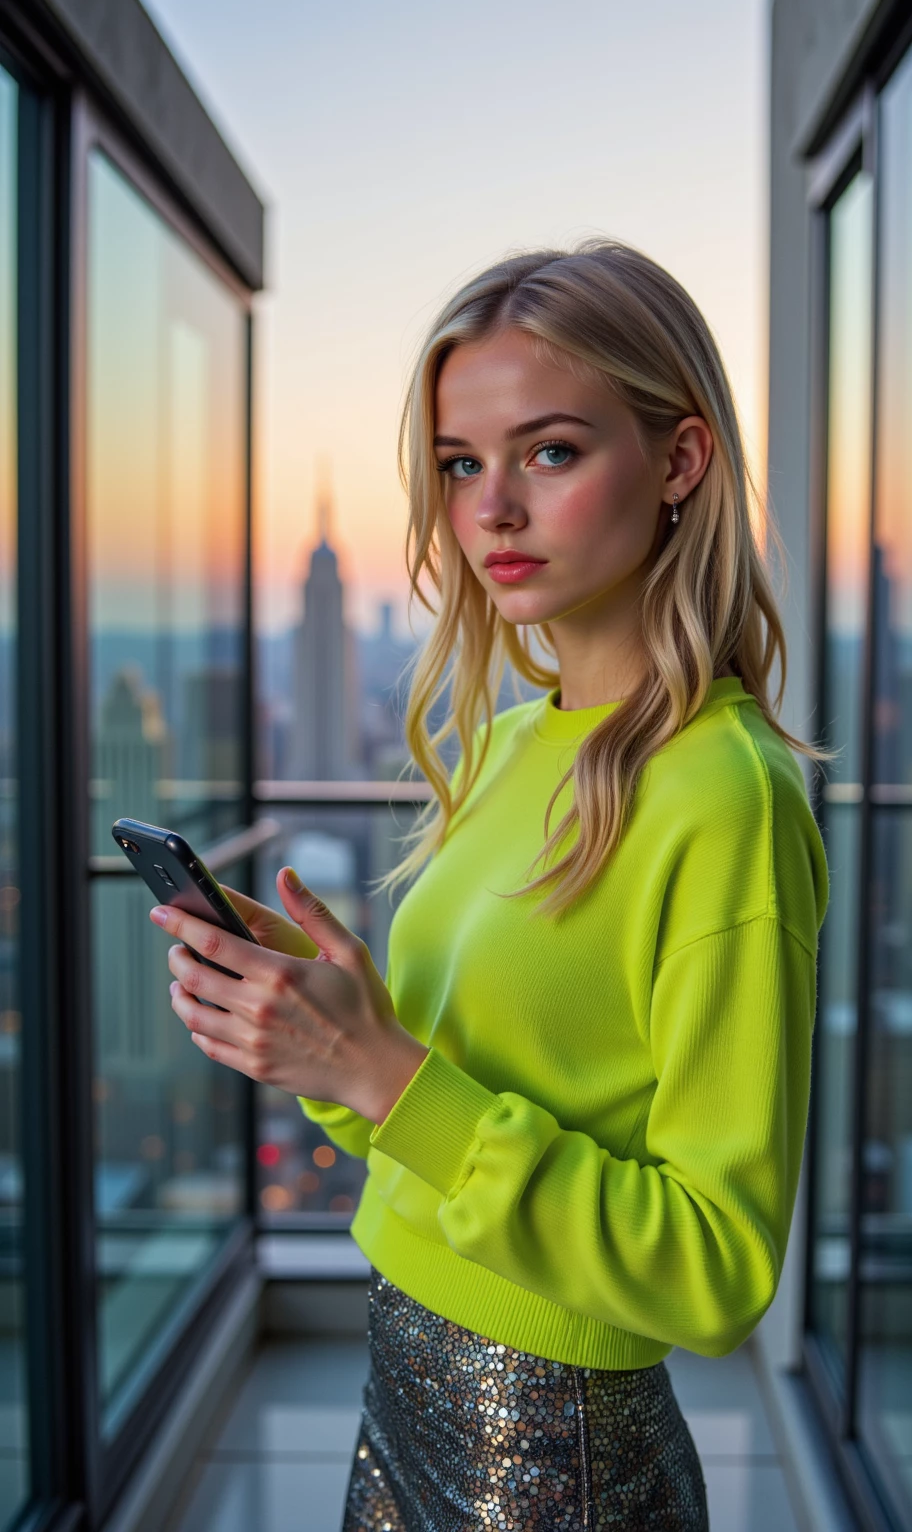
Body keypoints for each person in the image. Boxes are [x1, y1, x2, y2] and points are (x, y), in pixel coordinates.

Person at [150, 239, 830, 1531]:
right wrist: (329, 1039)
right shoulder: (514, 744)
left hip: (555, 1451)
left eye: (551, 452)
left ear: (681, 461)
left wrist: (382, 1073)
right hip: (400, 1383)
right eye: (461, 464)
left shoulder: (728, 796)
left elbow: (716, 1272)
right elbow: (427, 1117)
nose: (492, 511)